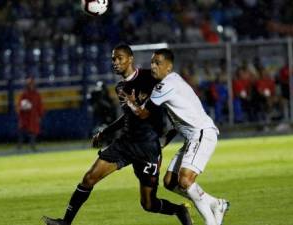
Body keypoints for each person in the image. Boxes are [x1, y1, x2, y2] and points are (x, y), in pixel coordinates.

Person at [42, 45, 192, 225]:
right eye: (113, 59)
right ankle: (65, 222)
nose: (115, 62)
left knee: (149, 203)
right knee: (89, 178)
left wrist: (169, 135)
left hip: (147, 148)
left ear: (130, 59)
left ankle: (179, 210)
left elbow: (169, 105)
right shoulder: (121, 86)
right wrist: (105, 132)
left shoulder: (149, 78)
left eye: (119, 58)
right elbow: (127, 117)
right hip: (125, 144)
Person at [121, 48, 229, 225]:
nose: (153, 66)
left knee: (185, 180)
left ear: (168, 67)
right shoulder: (174, 80)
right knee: (170, 182)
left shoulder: (164, 86)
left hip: (202, 134)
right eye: (152, 63)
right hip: (193, 136)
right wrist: (166, 139)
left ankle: (212, 222)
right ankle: (216, 204)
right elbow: (180, 117)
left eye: (158, 63)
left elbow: (142, 114)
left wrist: (130, 103)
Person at [16, 76, 44, 151]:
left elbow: (40, 105)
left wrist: (40, 115)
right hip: (25, 115)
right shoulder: (24, 94)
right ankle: (19, 146)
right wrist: (22, 108)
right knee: (22, 130)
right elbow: (20, 105)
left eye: (32, 84)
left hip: (33, 115)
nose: (31, 86)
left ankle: (32, 146)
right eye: (29, 84)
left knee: (33, 131)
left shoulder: (36, 94)